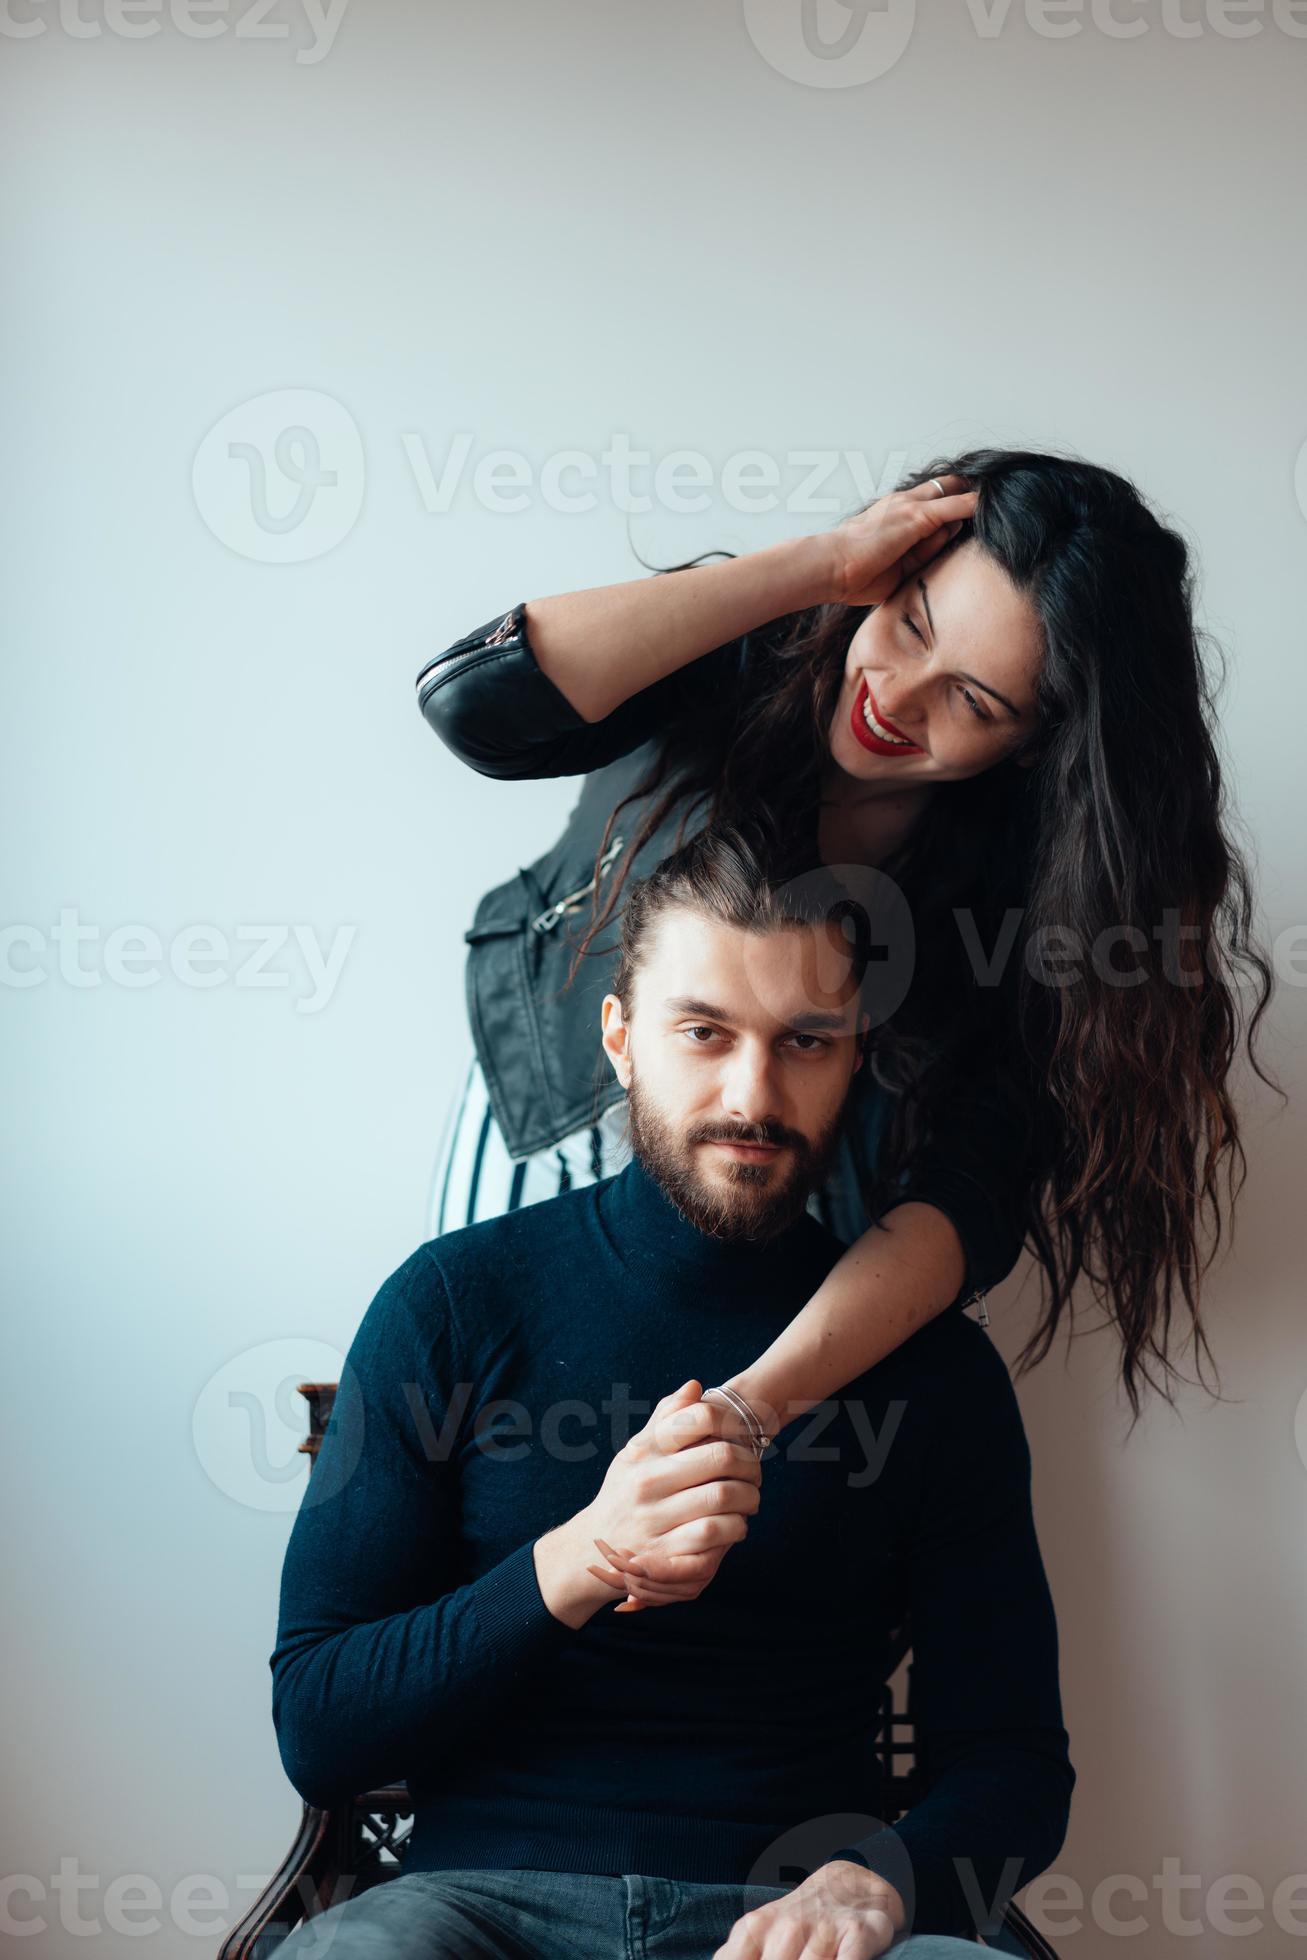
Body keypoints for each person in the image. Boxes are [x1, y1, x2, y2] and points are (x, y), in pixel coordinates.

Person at [417, 450, 1278, 1553]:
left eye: (970, 698)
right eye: (911, 622)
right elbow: (474, 704)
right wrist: (816, 568)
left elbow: (961, 1203)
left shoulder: (1029, 913)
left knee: (719, 1589)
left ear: (1033, 747)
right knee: (484, 1530)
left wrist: (748, 1406)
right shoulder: (736, 646)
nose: (893, 696)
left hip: (785, 1244)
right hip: (547, 1130)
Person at [269, 819, 1075, 1959]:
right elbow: (319, 1721)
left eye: (805, 1040)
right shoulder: (455, 1302)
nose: (752, 1094)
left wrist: (878, 1884)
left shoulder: (931, 1367)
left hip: (792, 1925)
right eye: (703, 1031)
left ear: (854, 1056)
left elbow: (1011, 1760)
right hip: (474, 1912)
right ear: (620, 1038)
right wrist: (582, 1555)